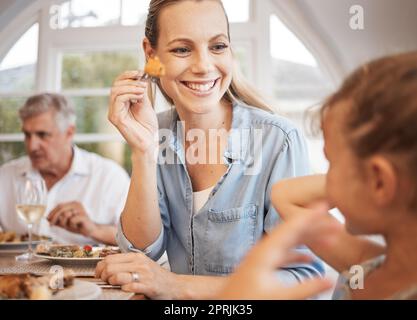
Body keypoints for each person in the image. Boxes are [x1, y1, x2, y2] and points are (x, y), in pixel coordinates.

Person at [96, 0, 323, 299]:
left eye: (217, 46)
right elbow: (141, 252)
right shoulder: (156, 131)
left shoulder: (278, 141)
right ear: (151, 54)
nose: (203, 66)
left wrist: (175, 285)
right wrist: (143, 150)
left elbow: (303, 281)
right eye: (182, 49)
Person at [272, 52, 417, 299]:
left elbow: (285, 196)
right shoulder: (366, 265)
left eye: (332, 163)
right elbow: (283, 194)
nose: (326, 178)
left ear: (380, 181)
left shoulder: (361, 264)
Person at [0, 93, 130, 245]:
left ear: (69, 132)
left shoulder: (109, 176)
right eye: (27, 135)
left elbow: (135, 243)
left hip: (83, 269)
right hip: (15, 269)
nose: (32, 145)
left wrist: (93, 229)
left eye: (42, 135)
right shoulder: (5, 176)